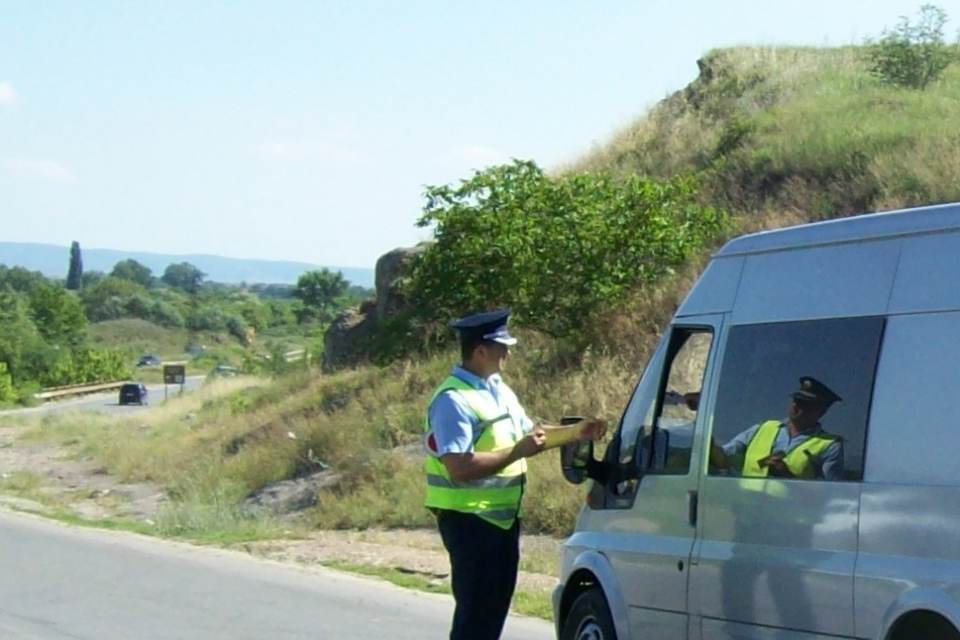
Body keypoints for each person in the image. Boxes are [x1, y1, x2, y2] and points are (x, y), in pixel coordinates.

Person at [423, 308, 605, 640]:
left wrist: (578, 432)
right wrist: (515, 453)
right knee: (475, 616)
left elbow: (531, 436)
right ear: (480, 351)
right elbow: (458, 467)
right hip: (469, 522)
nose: (508, 352)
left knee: (493, 612)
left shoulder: (498, 390)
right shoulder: (453, 400)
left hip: (502, 521)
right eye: (502, 346)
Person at [710, 376, 844, 480]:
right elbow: (725, 454)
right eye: (795, 400)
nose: (795, 405)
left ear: (820, 411)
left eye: (803, 403)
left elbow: (827, 494)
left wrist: (787, 476)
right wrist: (708, 446)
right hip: (745, 510)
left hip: (789, 514)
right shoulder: (763, 428)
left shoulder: (829, 446)